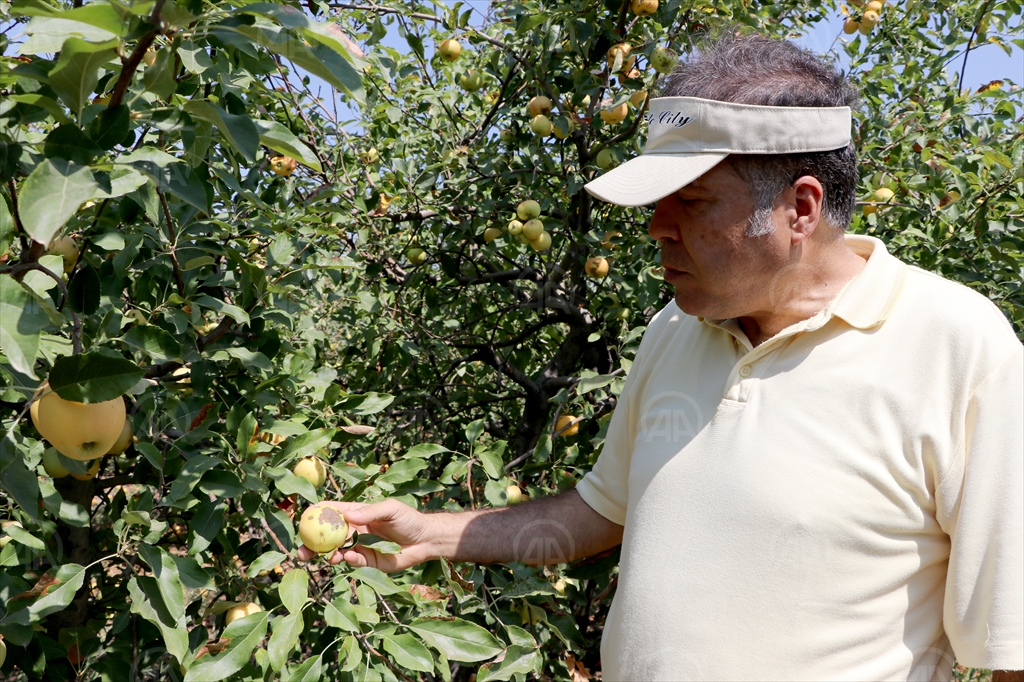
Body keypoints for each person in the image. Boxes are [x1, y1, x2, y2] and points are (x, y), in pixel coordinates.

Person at [298, 33, 1023, 681]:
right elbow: (599, 512)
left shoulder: (958, 349)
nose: (655, 229)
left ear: (799, 210)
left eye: (693, 202)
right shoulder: (675, 331)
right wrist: (435, 534)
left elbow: (1009, 643)